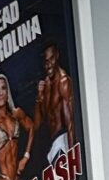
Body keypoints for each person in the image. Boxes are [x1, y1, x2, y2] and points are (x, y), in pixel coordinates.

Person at [32, 41, 76, 170]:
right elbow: (37, 125)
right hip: (52, 145)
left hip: (63, 141)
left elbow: (71, 124)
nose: (49, 65)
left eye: (51, 59)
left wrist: (72, 158)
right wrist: (39, 98)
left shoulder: (63, 82)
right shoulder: (46, 84)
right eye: (46, 61)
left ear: (57, 56)